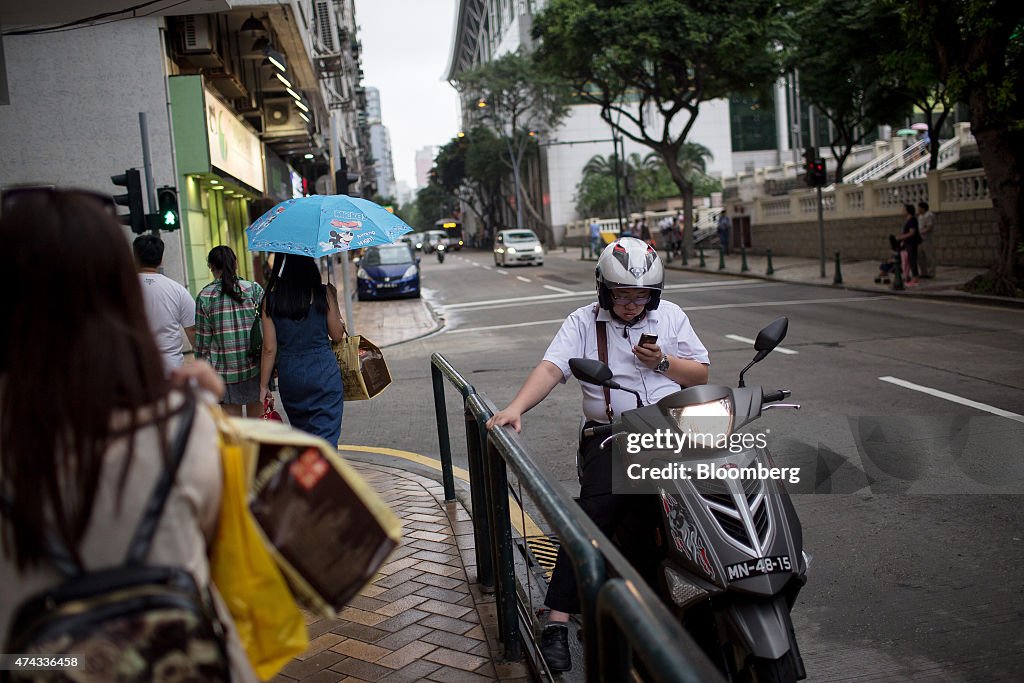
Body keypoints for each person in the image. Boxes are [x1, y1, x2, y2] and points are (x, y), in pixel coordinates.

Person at [0, 188, 257, 682]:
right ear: (118, 291)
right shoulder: (181, 427)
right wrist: (201, 411)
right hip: (178, 662)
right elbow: (224, 542)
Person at [486, 237, 710, 672]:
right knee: (591, 520)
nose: (631, 304)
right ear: (605, 291)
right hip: (612, 437)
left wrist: (662, 362)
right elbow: (553, 367)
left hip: (671, 432)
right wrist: (515, 407)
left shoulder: (672, 318)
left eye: (641, 295)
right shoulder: (583, 322)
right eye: (623, 295)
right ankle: (557, 620)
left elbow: (701, 371)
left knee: (705, 503)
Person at [259, 253, 346, 445]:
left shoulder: (270, 300)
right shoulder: (323, 293)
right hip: (324, 372)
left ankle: (312, 472)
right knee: (326, 438)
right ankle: (327, 472)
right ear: (311, 267)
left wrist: (264, 385)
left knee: (303, 439)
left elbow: (269, 348)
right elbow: (337, 335)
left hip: (291, 375)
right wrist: (334, 299)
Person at [195, 246, 265, 417]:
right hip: (255, 368)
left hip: (224, 373)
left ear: (211, 266)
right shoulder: (253, 289)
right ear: (236, 263)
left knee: (235, 433)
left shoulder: (205, 296)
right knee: (257, 430)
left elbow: (202, 344)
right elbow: (268, 329)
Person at [133, 234, 196, 372]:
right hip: (171, 369)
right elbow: (193, 332)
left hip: (135, 368)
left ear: (135, 258)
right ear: (161, 260)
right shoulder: (178, 290)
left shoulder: (120, 289)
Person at [894, 203, 922, 286]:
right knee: (910, 260)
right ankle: (912, 277)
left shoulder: (912, 220)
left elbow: (912, 232)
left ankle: (915, 278)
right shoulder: (909, 220)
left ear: (908, 211)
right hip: (908, 242)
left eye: (903, 209)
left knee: (912, 260)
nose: (902, 211)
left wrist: (901, 237)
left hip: (911, 243)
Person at [917, 201, 936, 278]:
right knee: (920, 256)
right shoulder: (920, 216)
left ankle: (931, 273)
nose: (918, 209)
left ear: (923, 208)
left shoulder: (929, 215)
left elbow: (929, 226)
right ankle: (923, 272)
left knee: (929, 256)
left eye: (919, 208)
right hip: (919, 239)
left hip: (926, 239)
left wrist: (922, 232)